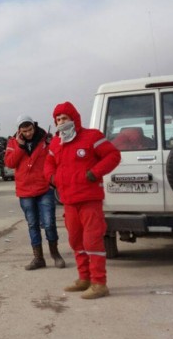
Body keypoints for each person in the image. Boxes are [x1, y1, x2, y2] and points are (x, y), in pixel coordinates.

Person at [44, 101, 121, 299]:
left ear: (74, 119)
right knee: (76, 241)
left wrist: (93, 174)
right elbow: (48, 164)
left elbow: (113, 156)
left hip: (89, 200)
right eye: (58, 119)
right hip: (68, 201)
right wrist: (53, 178)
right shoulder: (56, 142)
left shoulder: (92, 137)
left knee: (92, 241)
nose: (61, 122)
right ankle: (84, 278)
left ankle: (99, 283)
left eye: (64, 118)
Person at [5, 115, 65, 270]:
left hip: (44, 188)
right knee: (32, 224)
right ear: (19, 131)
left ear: (34, 126)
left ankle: (55, 254)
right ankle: (38, 258)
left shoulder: (45, 140)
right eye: (24, 131)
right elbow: (10, 163)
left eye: (30, 130)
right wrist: (20, 146)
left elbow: (56, 159)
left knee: (49, 223)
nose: (28, 134)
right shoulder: (13, 142)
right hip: (25, 190)